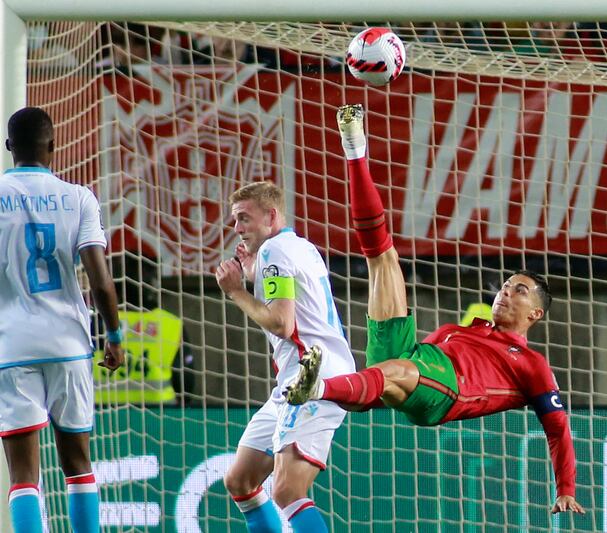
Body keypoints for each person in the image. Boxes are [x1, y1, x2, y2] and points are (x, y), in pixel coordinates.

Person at [286, 104, 585, 516]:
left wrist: (565, 487)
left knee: (395, 371)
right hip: (420, 362)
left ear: (535, 314)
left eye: (519, 291)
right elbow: (391, 381)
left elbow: (557, 428)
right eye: (505, 286)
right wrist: (360, 396)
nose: (505, 293)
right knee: (384, 259)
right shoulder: (465, 330)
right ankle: (355, 150)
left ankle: (315, 388)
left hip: (449, 392)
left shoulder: (531, 363)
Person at [0, 107, 125, 533]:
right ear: (54, 145)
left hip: (12, 345)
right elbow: (101, 281)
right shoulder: (79, 197)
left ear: (8, 147)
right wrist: (114, 334)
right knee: (78, 465)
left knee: (23, 477)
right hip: (70, 344)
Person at [215, 181, 356, 532]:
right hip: (297, 380)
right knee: (241, 480)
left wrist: (236, 291)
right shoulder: (299, 246)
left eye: (244, 218)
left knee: (287, 489)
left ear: (271, 216)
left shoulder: (273, 252)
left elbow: (281, 322)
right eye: (235, 220)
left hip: (313, 378)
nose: (237, 229)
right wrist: (253, 278)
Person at [92, 255, 195, 406]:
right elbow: (186, 381)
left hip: (101, 414)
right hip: (161, 414)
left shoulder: (94, 321)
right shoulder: (170, 324)